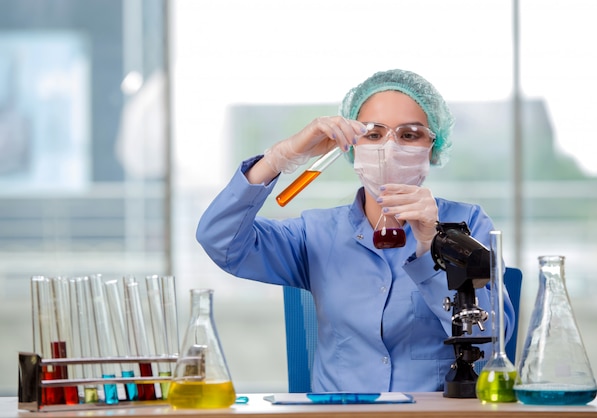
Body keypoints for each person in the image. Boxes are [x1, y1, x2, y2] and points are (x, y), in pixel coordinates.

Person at [196, 69, 515, 393]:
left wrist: (431, 244)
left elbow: (493, 343)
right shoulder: (315, 233)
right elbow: (219, 239)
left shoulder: (468, 224)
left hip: (431, 415)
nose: (389, 150)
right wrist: (279, 157)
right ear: (350, 146)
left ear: (434, 146)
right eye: (374, 135)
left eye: (409, 135)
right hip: (339, 414)